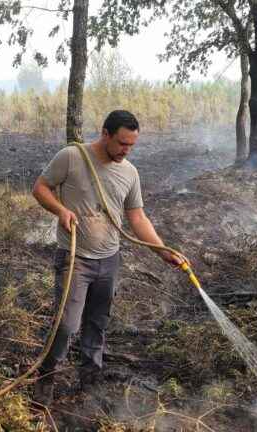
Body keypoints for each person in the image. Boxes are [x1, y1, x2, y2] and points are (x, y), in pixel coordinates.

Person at [31, 110, 184, 405]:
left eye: (131, 146)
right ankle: (45, 379)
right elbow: (40, 188)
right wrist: (61, 210)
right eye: (121, 143)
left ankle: (89, 381)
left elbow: (137, 218)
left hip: (109, 259)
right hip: (75, 259)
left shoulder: (129, 173)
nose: (125, 151)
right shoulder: (71, 157)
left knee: (97, 323)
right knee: (66, 325)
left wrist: (163, 251)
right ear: (105, 134)